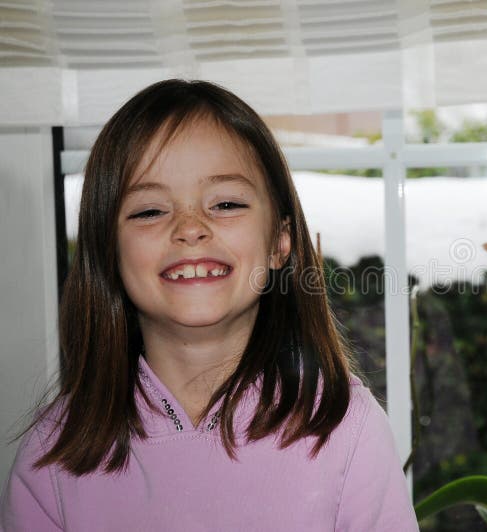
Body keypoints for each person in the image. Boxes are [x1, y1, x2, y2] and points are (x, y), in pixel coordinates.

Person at [0, 79, 420, 531]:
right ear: (108, 251)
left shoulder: (345, 430)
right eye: (149, 211)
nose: (190, 228)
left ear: (281, 242)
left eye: (225, 203)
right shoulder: (53, 454)